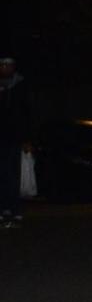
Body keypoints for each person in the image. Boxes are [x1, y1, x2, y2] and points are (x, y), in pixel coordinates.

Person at [0, 56, 27, 227]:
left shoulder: (20, 86)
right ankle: (4, 209)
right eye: (2, 65)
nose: (5, 68)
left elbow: (25, 113)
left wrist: (26, 138)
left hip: (14, 138)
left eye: (8, 65)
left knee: (13, 175)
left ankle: (15, 209)